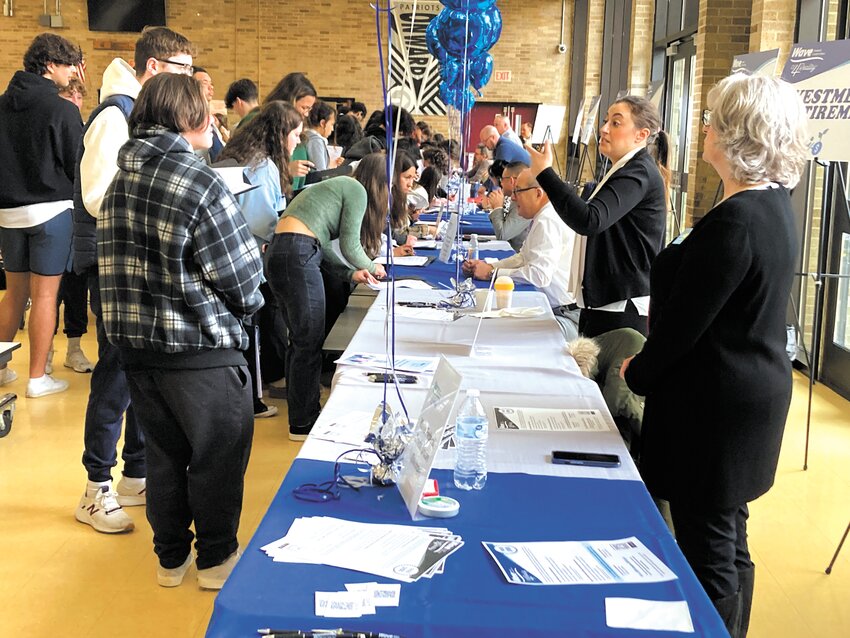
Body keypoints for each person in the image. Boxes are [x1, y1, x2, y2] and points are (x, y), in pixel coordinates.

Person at [620, 75, 809, 638]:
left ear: (737, 135)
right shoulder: (772, 204)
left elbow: (683, 328)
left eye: (712, 120)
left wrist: (640, 372)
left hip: (716, 412)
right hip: (747, 397)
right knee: (730, 540)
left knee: (708, 552)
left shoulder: (737, 221)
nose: (702, 128)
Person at [99, 73, 263, 589]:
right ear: (189, 119)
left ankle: (170, 559)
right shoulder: (199, 179)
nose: (213, 123)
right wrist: (253, 304)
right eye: (207, 113)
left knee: (165, 456)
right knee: (218, 455)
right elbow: (240, 275)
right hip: (199, 349)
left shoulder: (119, 180)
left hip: (136, 351)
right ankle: (215, 561)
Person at [73, 26, 195, 534]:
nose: (190, 80)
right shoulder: (113, 115)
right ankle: (94, 487)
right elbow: (97, 195)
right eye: (183, 70)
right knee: (116, 377)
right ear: (155, 69)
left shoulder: (140, 116)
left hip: (145, 265)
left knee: (146, 379)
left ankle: (135, 475)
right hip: (116, 266)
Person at [527, 95, 669, 337]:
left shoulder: (638, 172)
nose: (603, 129)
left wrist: (545, 174)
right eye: (605, 121)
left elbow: (590, 220)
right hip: (605, 303)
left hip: (622, 306)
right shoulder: (621, 169)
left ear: (641, 135)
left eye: (615, 123)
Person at [265, 176, 386, 441]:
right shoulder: (357, 188)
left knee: (299, 341)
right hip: (297, 254)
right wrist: (373, 266)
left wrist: (350, 274)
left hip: (279, 253)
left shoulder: (334, 188)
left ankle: (302, 415)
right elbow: (349, 246)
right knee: (308, 341)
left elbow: (317, 247)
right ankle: (303, 423)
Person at [0, 33, 83, 398]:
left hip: (7, 213)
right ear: (51, 66)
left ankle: (1, 370)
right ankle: (37, 378)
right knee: (46, 297)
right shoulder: (62, 109)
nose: (71, 74)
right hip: (50, 213)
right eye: (68, 66)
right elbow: (76, 165)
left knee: (13, 296)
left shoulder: (1, 105)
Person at [217, 100, 305, 417]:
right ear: (281, 134)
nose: (297, 142)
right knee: (253, 329)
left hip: (234, 254)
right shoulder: (262, 165)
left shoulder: (243, 156)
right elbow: (262, 218)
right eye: (295, 135)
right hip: (250, 258)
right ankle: (252, 398)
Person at [463, 168, 578, 340]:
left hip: (562, 316)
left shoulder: (548, 220)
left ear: (538, 193)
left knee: (495, 334)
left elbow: (539, 276)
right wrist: (491, 267)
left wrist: (491, 274)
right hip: (553, 308)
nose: (513, 197)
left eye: (518, 191)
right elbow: (523, 257)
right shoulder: (543, 215)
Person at [56, 76, 94, 375]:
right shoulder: (53, 127)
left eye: (77, 97)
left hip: (77, 218)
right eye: (69, 96)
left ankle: (74, 347)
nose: (74, 101)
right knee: (50, 288)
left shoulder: (85, 132)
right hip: (55, 213)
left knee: (76, 284)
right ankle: (45, 353)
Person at [264, 72, 316, 188]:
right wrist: (286, 170)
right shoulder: (265, 125)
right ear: (289, 101)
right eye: (304, 108)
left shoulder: (298, 128)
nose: (306, 114)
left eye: (309, 109)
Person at [486, 160, 531, 252]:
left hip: (517, 255)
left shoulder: (525, 201)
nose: (501, 183)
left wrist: (498, 207)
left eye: (502, 179)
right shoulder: (514, 199)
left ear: (511, 181)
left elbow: (502, 235)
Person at [193, 66, 224, 162]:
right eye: (205, 83)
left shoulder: (212, 121)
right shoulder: (189, 119)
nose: (211, 87)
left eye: (211, 83)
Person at [303, 100, 341, 171]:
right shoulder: (316, 141)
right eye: (332, 124)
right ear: (323, 123)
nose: (332, 129)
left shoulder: (306, 136)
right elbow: (320, 173)